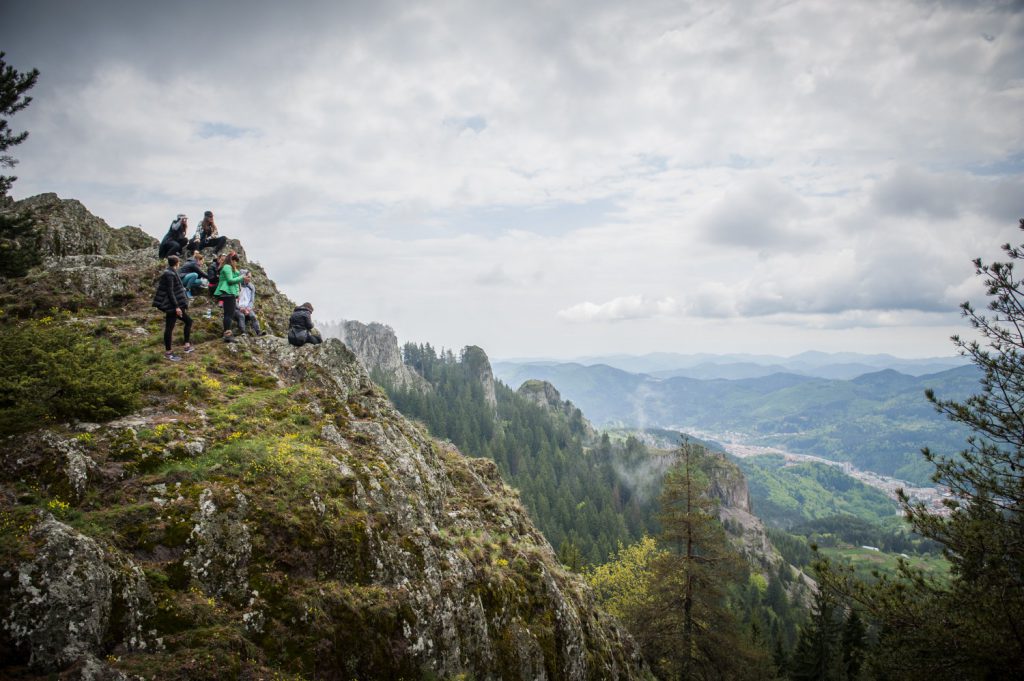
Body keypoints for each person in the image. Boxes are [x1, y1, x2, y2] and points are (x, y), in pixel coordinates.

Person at [151, 254, 194, 360]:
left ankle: (186, 345)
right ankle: (169, 352)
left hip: (176, 305)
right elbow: (170, 291)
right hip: (173, 306)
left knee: (187, 322)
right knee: (170, 327)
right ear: (177, 263)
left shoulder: (171, 272)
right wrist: (176, 307)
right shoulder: (169, 273)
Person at [213, 250, 244, 343]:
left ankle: (227, 334)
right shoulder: (227, 267)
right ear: (231, 260)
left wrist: (239, 274)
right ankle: (227, 335)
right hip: (228, 293)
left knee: (228, 314)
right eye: (235, 261)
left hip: (229, 293)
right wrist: (242, 277)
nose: (236, 263)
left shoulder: (228, 267)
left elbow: (234, 276)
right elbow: (230, 280)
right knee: (229, 315)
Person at [234, 271, 265, 336]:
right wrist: (240, 308)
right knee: (241, 316)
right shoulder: (237, 285)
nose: (249, 279)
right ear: (243, 276)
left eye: (250, 277)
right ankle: (243, 332)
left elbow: (252, 300)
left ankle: (258, 332)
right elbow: (234, 299)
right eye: (248, 277)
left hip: (247, 308)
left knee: (253, 316)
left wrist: (248, 309)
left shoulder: (251, 287)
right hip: (237, 308)